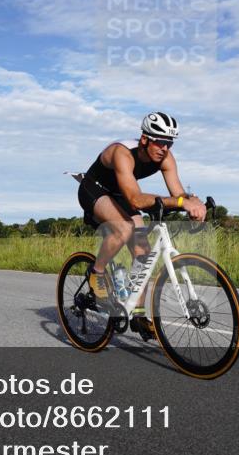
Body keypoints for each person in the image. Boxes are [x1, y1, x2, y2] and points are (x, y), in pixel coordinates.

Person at [77, 112, 206, 335]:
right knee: (124, 227)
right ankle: (96, 272)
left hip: (120, 194)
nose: (165, 148)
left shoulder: (166, 158)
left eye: (169, 142)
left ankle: (137, 314)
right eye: (160, 141)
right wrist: (181, 202)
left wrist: (193, 202)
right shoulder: (123, 153)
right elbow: (136, 199)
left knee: (143, 252)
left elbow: (178, 193)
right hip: (94, 189)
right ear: (145, 139)